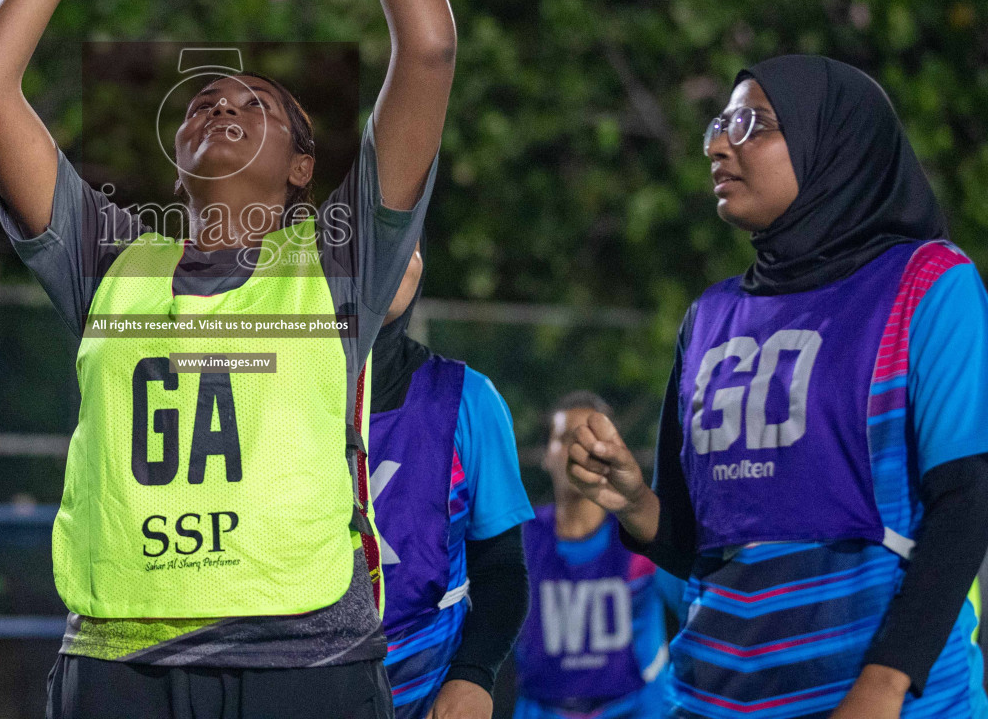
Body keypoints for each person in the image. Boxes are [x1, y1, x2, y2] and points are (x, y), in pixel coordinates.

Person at [0, 0, 457, 719]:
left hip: (305, 662)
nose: (220, 106)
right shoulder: (104, 256)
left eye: (256, 102)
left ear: (305, 168)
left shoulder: (339, 256)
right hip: (121, 664)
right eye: (201, 103)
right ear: (173, 153)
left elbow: (429, 49)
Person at [562, 55, 988, 719]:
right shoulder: (709, 318)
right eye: (719, 122)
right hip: (712, 703)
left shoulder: (929, 285)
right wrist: (635, 502)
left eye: (751, 122)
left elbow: (966, 501)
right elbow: (699, 544)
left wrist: (885, 684)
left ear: (832, 142)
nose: (718, 143)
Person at [369, 245, 533, 719]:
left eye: (414, 243)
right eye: (377, 236)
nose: (397, 253)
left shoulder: (468, 399)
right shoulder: (274, 395)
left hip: (428, 692)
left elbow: (501, 568)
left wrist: (474, 674)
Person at [513, 392, 680, 719]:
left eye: (590, 439)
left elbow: (697, 602)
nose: (578, 451)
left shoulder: (643, 536)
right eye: (564, 439)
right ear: (546, 455)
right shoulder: (518, 540)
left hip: (636, 708)